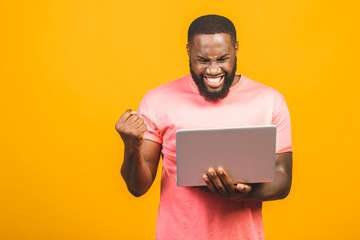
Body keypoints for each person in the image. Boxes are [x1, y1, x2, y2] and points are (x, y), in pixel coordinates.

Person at [116, 14, 293, 240]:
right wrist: (131, 147)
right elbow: (137, 187)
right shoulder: (157, 100)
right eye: (203, 60)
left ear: (236, 49)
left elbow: (283, 179)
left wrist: (241, 194)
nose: (213, 70)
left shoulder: (269, 101)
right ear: (189, 51)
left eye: (222, 59)